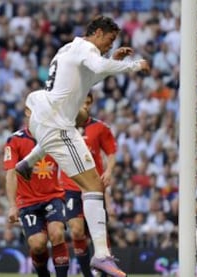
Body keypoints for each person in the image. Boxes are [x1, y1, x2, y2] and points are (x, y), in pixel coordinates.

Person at [15, 15, 149, 276]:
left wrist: (115, 61)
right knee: (93, 185)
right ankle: (101, 256)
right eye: (109, 41)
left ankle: (28, 162)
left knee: (65, 136)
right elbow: (97, 67)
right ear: (98, 33)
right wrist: (133, 65)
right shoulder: (87, 48)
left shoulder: (68, 49)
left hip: (44, 115)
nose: (109, 47)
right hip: (56, 122)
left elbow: (88, 80)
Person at [4, 108, 70, 277]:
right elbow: (10, 173)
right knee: (37, 245)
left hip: (53, 197)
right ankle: (43, 273)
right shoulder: (14, 140)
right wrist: (12, 205)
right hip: (28, 202)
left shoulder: (55, 137)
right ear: (27, 112)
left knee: (57, 233)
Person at [60, 93, 117, 277]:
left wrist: (108, 172)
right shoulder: (64, 127)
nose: (84, 105)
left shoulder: (100, 127)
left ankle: (105, 266)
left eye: (87, 102)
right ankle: (87, 273)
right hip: (71, 187)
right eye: (81, 102)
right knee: (77, 231)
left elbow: (111, 152)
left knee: (98, 231)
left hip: (93, 186)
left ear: (91, 104)